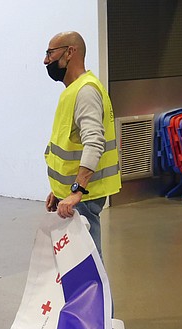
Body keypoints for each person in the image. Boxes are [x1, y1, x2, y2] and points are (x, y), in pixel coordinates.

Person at [42, 31, 121, 259]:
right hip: (72, 197)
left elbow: (94, 142)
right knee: (78, 267)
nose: (46, 60)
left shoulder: (85, 92)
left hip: (83, 198)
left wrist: (77, 190)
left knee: (87, 269)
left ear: (70, 52)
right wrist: (59, 191)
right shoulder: (74, 91)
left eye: (50, 53)